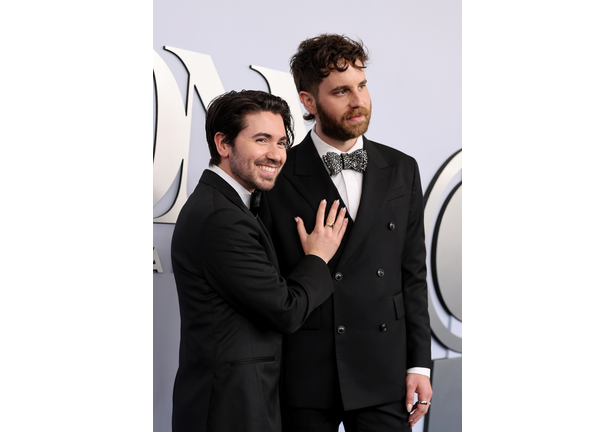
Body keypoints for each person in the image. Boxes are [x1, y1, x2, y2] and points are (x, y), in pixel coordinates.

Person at [259, 34, 433, 431]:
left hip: (382, 369)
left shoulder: (402, 168)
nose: (358, 101)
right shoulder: (277, 173)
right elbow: (269, 286)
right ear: (308, 101)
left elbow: (412, 274)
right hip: (306, 372)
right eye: (340, 91)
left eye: (362, 86)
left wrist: (418, 363)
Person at [171, 89, 348, 432]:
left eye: (281, 142)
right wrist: (317, 257)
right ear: (223, 144)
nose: (276, 154)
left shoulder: (230, 207)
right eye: (262, 139)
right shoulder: (220, 218)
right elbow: (286, 309)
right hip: (230, 408)